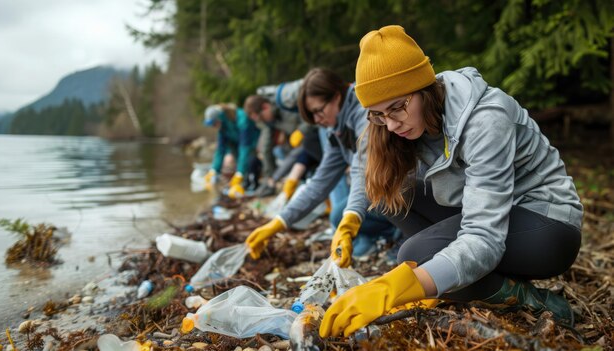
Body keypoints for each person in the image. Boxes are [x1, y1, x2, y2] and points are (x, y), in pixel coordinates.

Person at [319, 25, 583, 338]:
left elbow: (484, 236)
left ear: (423, 88)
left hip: (547, 226)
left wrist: (402, 286)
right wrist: (350, 219)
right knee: (388, 189)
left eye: (397, 107)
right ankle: (460, 282)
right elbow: (365, 168)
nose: (390, 124)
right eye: (378, 114)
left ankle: (531, 299)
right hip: (493, 215)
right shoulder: (398, 121)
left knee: (413, 258)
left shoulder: (486, 119)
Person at [245, 67, 396, 262]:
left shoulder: (363, 111)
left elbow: (363, 168)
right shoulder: (335, 129)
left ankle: (401, 235)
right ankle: (391, 235)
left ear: (335, 97)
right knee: (337, 216)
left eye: (318, 111)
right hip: (385, 190)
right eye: (312, 115)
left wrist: (352, 217)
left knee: (342, 215)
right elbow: (320, 182)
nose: (317, 120)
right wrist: (279, 221)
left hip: (406, 187)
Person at [244, 79, 323, 198]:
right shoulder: (269, 121)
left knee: (301, 150)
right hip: (302, 146)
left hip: (316, 135)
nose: (262, 121)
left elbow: (313, 115)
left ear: (265, 107)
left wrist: (301, 131)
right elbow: (266, 148)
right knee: (281, 152)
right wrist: (269, 177)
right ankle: (283, 181)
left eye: (261, 117)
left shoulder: (286, 103)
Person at [202, 104, 261, 198]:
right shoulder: (222, 126)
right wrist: (214, 170)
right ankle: (244, 183)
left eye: (213, 123)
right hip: (238, 147)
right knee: (230, 162)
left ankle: (253, 184)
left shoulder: (242, 119)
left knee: (250, 161)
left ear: (219, 118)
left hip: (254, 143)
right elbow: (220, 149)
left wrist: (239, 173)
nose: (213, 126)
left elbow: (244, 147)